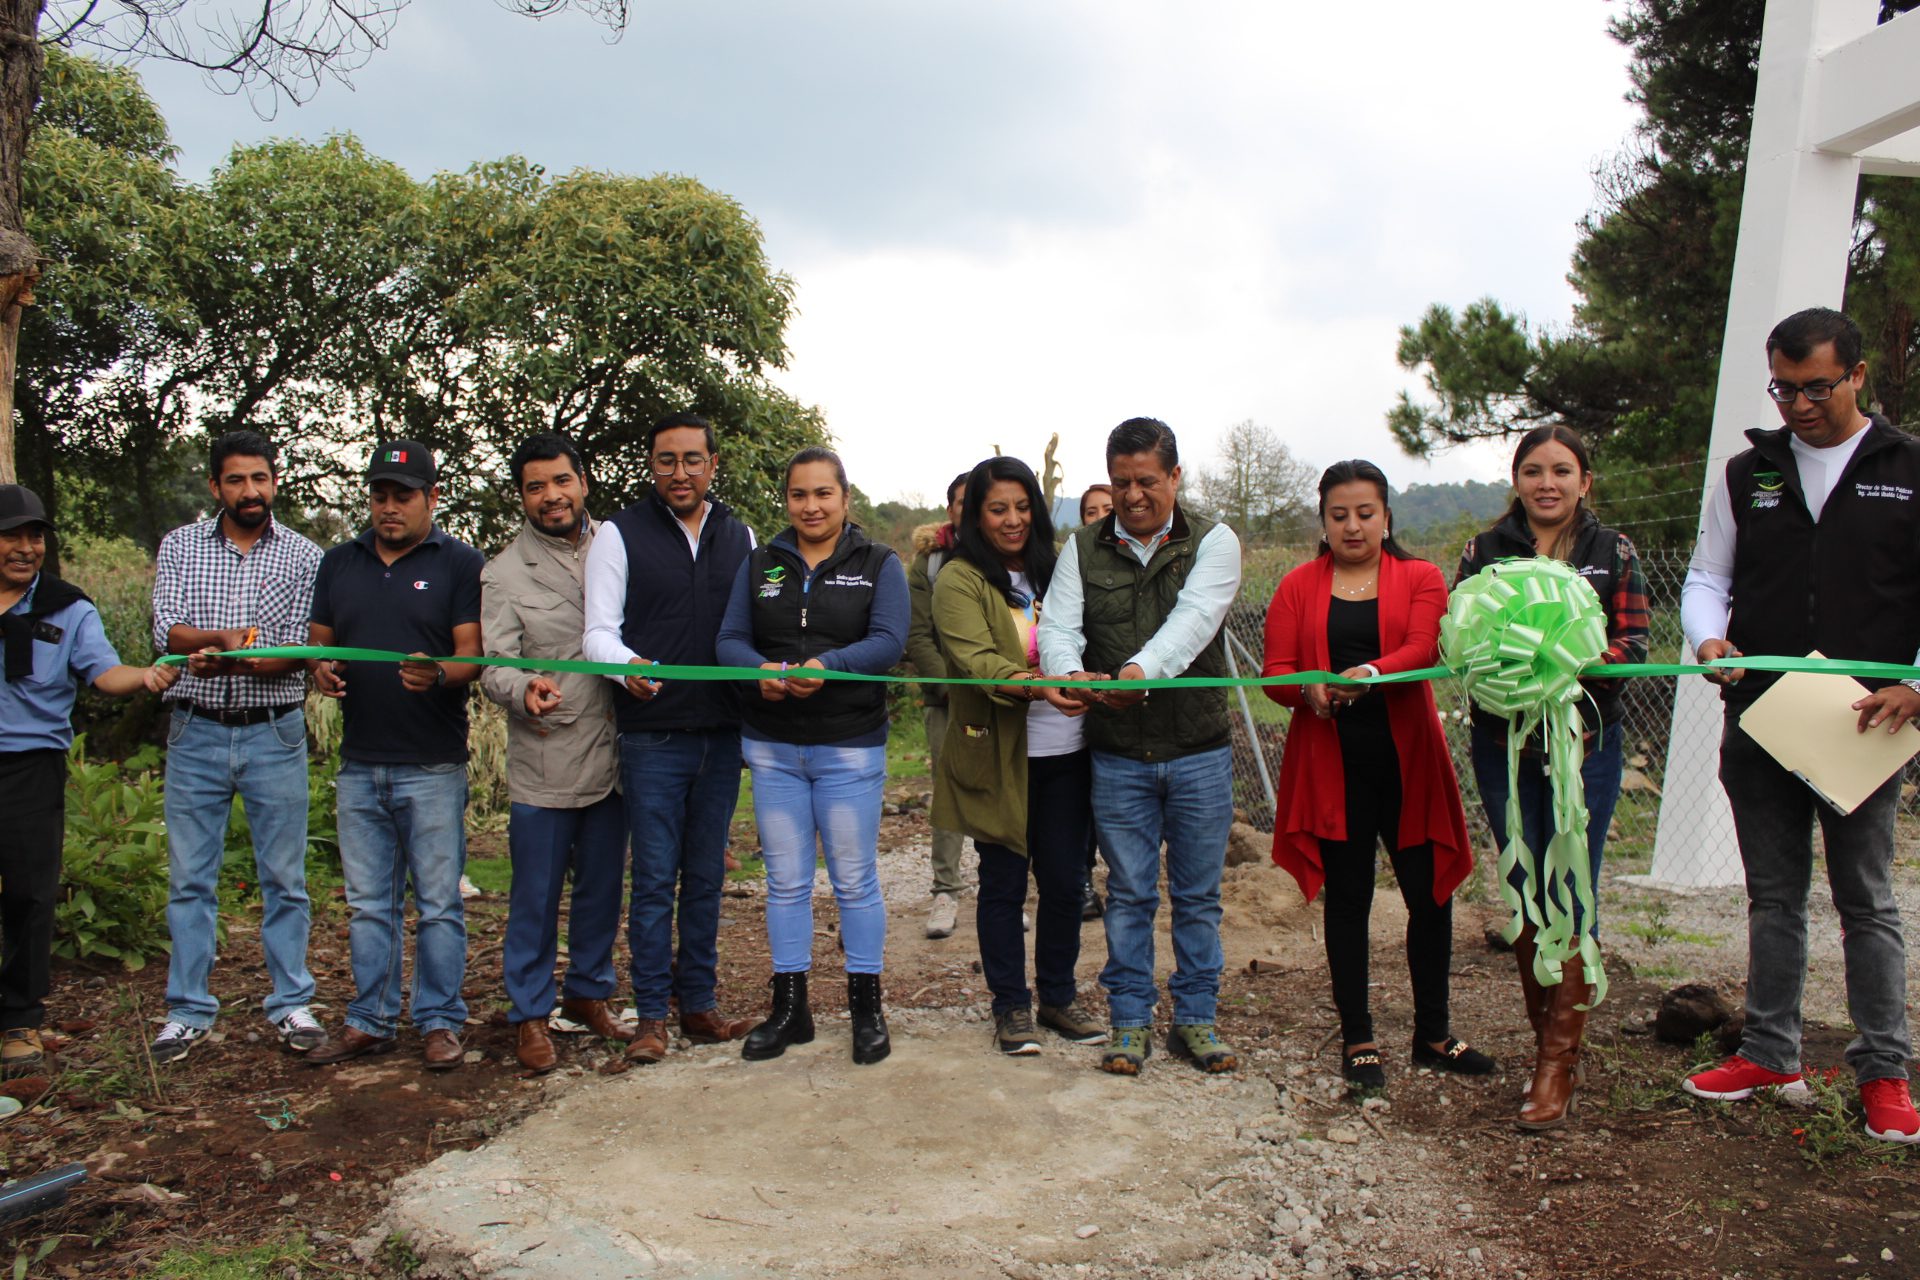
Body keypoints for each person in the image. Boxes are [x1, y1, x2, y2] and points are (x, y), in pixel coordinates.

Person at [1679, 307, 1920, 1144]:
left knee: (1868, 901)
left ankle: (1885, 1071)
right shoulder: (1750, 472)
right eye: (1783, 388)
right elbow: (1708, 576)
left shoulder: (1908, 468)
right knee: (1773, 896)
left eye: (1817, 386)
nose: (1799, 405)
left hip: (1865, 723)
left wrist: (1916, 688)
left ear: (1858, 376)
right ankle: (1771, 1051)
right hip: (1763, 716)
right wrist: (1708, 636)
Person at [1263, 460, 1488, 1093]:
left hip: (1407, 761)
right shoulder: (1297, 586)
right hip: (1332, 766)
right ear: (1324, 522)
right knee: (1349, 900)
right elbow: (1276, 669)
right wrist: (1305, 691)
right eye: (1340, 515)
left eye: (1366, 513)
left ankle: (1433, 1034)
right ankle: (1358, 1035)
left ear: (1387, 517)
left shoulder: (1420, 577)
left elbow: (1423, 649)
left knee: (1429, 897)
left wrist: (1369, 674)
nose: (1353, 525)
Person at [1036, 417, 1242, 1076]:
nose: (1131, 496)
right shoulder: (1082, 547)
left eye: (1146, 481)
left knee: (1198, 896)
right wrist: (1066, 677)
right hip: (1118, 754)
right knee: (1126, 894)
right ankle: (1129, 1021)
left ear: (1175, 477)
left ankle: (1197, 1019)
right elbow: (1061, 627)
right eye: (1121, 482)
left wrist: (1137, 675)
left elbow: (1191, 626)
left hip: (1199, 752)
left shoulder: (1215, 543)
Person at [1456, 426, 1646, 1128]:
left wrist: (1572, 662)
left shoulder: (1613, 551)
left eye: (1562, 471)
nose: (1547, 483)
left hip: (1585, 743)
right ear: (1517, 480)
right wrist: (1505, 669)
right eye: (1533, 470)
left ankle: (1555, 1065)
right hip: (1503, 741)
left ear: (1584, 481)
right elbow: (1465, 638)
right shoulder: (1484, 552)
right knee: (1522, 886)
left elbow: (1633, 643)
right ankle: (1549, 1044)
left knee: (1572, 883)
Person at [715, 446, 908, 1065]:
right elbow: (729, 642)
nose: (811, 506)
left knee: (854, 881)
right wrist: (761, 673)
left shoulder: (879, 563)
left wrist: (830, 666)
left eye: (823, 493)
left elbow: (888, 641)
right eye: (799, 495)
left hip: (849, 747)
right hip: (772, 749)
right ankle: (790, 1008)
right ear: (788, 501)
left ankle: (866, 1009)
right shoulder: (760, 563)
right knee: (786, 883)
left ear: (845, 499)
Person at [582, 411, 759, 1064]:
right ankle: (652, 1016)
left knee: (706, 875)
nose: (679, 472)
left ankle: (701, 1006)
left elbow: (757, 624)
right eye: (665, 460)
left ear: (713, 464)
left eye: (691, 459)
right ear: (650, 466)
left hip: (722, 733)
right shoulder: (618, 535)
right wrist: (622, 664)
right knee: (655, 878)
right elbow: (597, 632)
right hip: (653, 735)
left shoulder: (740, 535)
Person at [304, 442, 484, 1071]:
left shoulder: (460, 562)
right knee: (368, 904)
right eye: (380, 494)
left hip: (432, 762)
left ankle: (439, 1019)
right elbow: (320, 643)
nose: (389, 507)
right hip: (360, 764)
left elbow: (472, 655)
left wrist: (438, 675)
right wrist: (321, 669)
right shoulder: (340, 562)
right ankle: (370, 1019)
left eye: (403, 495)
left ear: (431, 498)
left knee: (438, 902)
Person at [147, 432, 325, 1064]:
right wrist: (221, 639)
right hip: (194, 728)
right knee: (191, 879)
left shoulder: (305, 556)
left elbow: (298, 647)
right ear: (216, 486)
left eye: (260, 478)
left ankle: (291, 1002)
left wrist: (234, 658)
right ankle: (187, 1010)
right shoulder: (181, 545)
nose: (250, 491)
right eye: (236, 480)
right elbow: (168, 628)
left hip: (274, 730)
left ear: (275, 481)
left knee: (285, 878)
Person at [0, 485, 177, 1076]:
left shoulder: (67, 609)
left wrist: (148, 677)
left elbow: (104, 673)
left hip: (29, 766)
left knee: (29, 891)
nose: (26, 548)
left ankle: (20, 1019)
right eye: (12, 536)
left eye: (35, 537)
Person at [931, 457, 1105, 1055]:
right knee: (1003, 883)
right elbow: (976, 661)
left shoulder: (1058, 572)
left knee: (1064, 881)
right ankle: (1011, 1008)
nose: (1013, 520)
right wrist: (1035, 684)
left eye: (1023, 506)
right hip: (1001, 756)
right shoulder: (959, 579)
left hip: (1067, 753)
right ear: (977, 515)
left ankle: (1057, 997)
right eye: (998, 508)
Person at [480, 434, 627, 1074]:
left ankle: (589, 995)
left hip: (618, 752)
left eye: (561, 481)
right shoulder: (504, 571)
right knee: (535, 896)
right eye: (536, 486)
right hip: (547, 754)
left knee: (602, 888)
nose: (551, 496)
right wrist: (523, 688)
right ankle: (531, 1014)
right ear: (523, 497)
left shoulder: (619, 547)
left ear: (583, 483)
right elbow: (493, 664)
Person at [907, 472, 971, 939]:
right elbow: (917, 634)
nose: (969, 509)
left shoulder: (1010, 557)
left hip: (1002, 697)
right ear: (950, 508)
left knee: (999, 792)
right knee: (948, 791)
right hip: (945, 698)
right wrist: (948, 686)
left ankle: (1001, 892)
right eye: (961, 502)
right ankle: (945, 891)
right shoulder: (927, 563)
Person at [1074, 482, 1116, 922]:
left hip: (1125, 693)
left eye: (1108, 508)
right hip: (1080, 696)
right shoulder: (1074, 563)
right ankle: (1082, 879)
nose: (1102, 516)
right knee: (1082, 797)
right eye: (1092, 511)